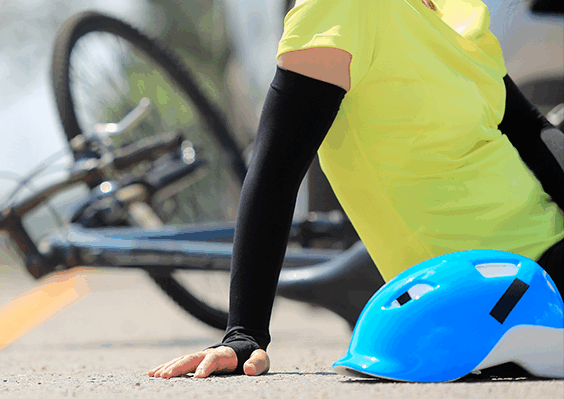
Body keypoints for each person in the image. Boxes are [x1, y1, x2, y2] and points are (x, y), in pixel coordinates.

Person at [149, 0, 564, 379]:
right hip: (503, 285)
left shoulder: (457, 12)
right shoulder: (344, 8)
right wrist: (244, 331)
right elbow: (276, 170)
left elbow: (532, 132)